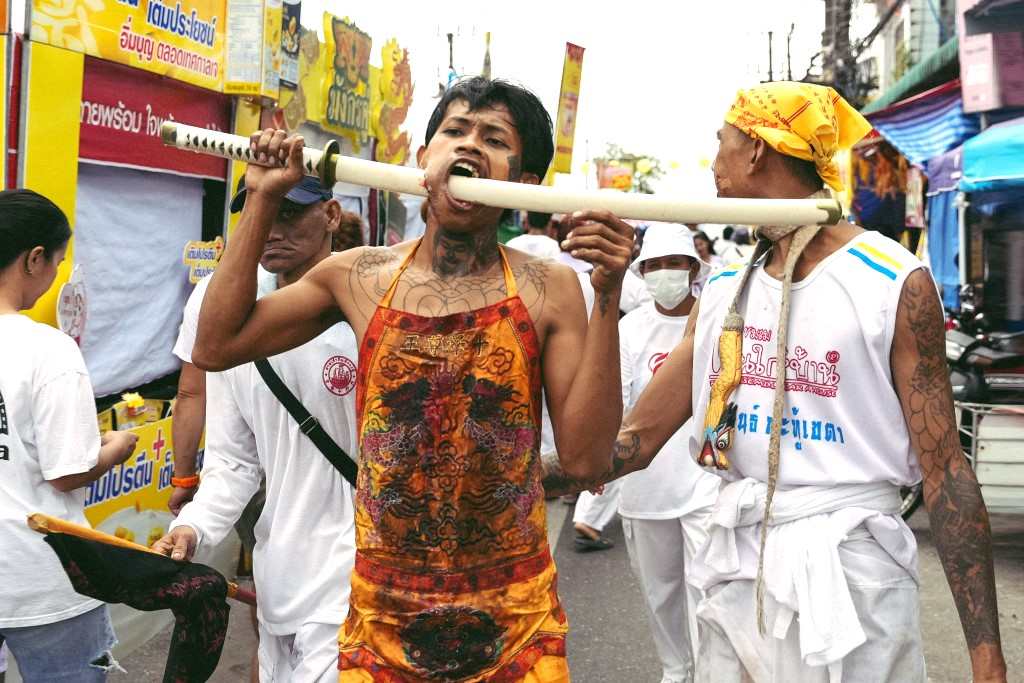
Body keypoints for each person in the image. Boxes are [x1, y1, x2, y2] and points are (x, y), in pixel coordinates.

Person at [543, 82, 1008, 683]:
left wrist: (986, 657)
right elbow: (629, 446)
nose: (714, 162)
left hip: (849, 581)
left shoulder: (890, 280)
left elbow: (947, 473)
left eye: (722, 143)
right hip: (731, 572)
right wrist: (498, 476)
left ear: (758, 151)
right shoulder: (722, 290)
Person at [190, 77, 633, 681]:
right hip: (381, 614)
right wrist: (262, 198)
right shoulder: (356, 276)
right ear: (423, 160)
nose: (467, 148)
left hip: (514, 613)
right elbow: (215, 345)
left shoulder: (550, 288)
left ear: (523, 184)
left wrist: (607, 297)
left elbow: (584, 462)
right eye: (454, 132)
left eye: (493, 138)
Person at [153, 176, 361, 682]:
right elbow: (234, 461)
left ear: (331, 215)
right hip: (280, 572)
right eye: (260, 213)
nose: (270, 229)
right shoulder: (224, 313)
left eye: (289, 214)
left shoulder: (370, 304)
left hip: (359, 572)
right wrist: (193, 527)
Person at [0, 189, 138, 681]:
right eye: (57, 261)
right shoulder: (48, 350)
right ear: (33, 259)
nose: (56, 273)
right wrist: (115, 450)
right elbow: (67, 473)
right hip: (45, 577)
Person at [617, 223, 721, 683]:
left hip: (707, 481)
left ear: (693, 267)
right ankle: (675, 670)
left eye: (674, 264)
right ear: (641, 271)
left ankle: (711, 673)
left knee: (708, 590)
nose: (665, 274)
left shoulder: (718, 320)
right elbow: (617, 400)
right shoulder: (630, 327)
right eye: (654, 265)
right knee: (660, 592)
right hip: (646, 482)